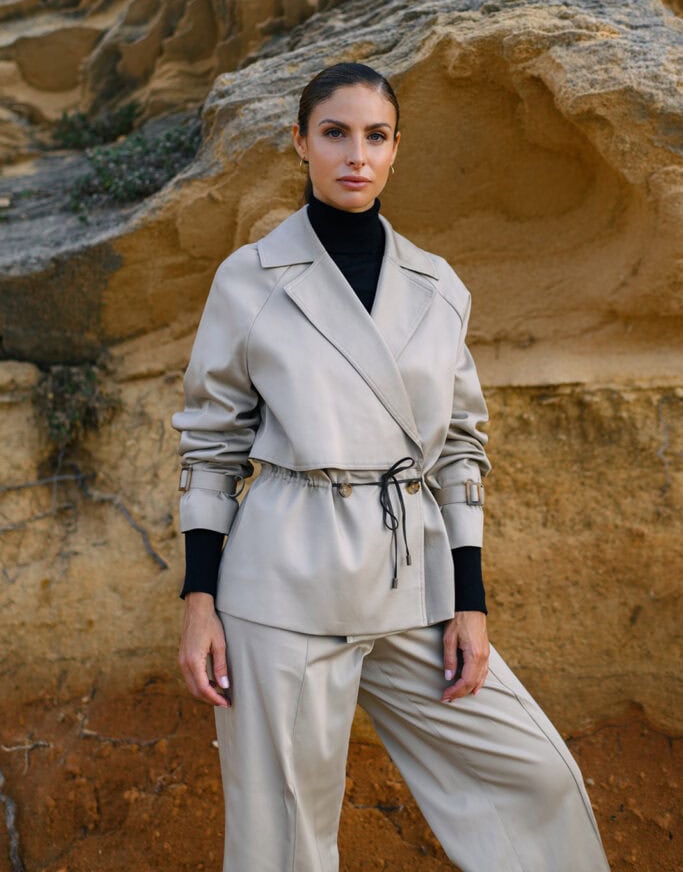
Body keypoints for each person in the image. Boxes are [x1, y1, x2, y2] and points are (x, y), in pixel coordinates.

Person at [171, 62, 610, 872]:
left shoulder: (438, 287)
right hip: (283, 579)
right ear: (300, 142)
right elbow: (209, 446)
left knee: (534, 776)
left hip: (413, 577)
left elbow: (461, 449)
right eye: (334, 132)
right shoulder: (249, 279)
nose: (355, 154)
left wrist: (468, 602)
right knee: (284, 841)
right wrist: (200, 601)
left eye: (375, 136)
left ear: (397, 148)